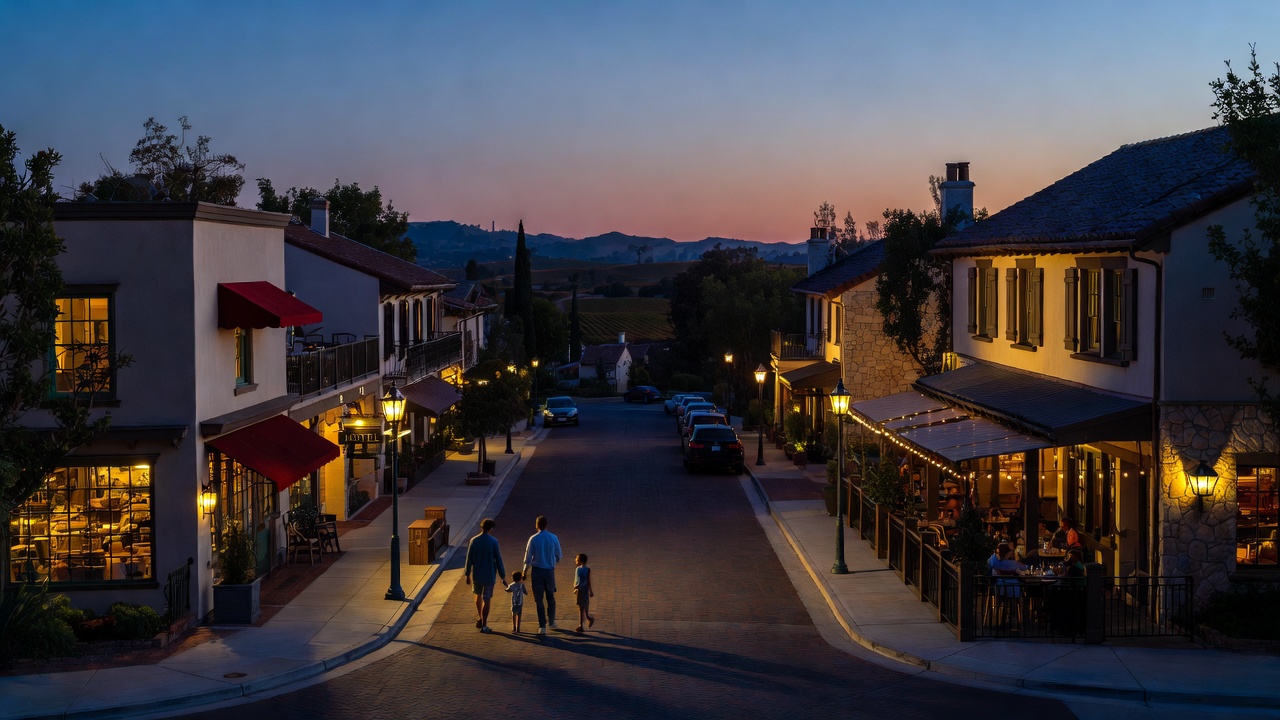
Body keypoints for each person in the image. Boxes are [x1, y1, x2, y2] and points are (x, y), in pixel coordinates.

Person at [463, 518, 506, 634]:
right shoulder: (493, 542)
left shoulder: (474, 541)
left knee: (477, 595)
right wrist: (502, 575)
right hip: (489, 576)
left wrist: (467, 574)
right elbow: (498, 559)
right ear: (490, 528)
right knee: (486, 599)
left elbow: (469, 559)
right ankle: (484, 624)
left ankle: (480, 617)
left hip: (477, 575)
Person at [523, 515, 563, 635]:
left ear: (537, 525)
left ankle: (542, 625)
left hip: (537, 571)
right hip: (549, 571)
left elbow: (528, 558)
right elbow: (559, 555)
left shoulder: (533, 539)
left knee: (539, 600)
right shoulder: (553, 537)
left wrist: (524, 571)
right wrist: (552, 560)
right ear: (546, 525)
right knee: (551, 597)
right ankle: (551, 621)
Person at [573, 553, 595, 633]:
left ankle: (581, 625)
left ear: (580, 561)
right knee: (582, 606)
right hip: (580, 590)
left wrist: (590, 591)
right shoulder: (578, 569)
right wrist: (575, 588)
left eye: (577, 559)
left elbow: (588, 580)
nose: (575, 560)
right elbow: (576, 579)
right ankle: (588, 619)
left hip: (583, 590)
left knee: (582, 607)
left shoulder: (586, 569)